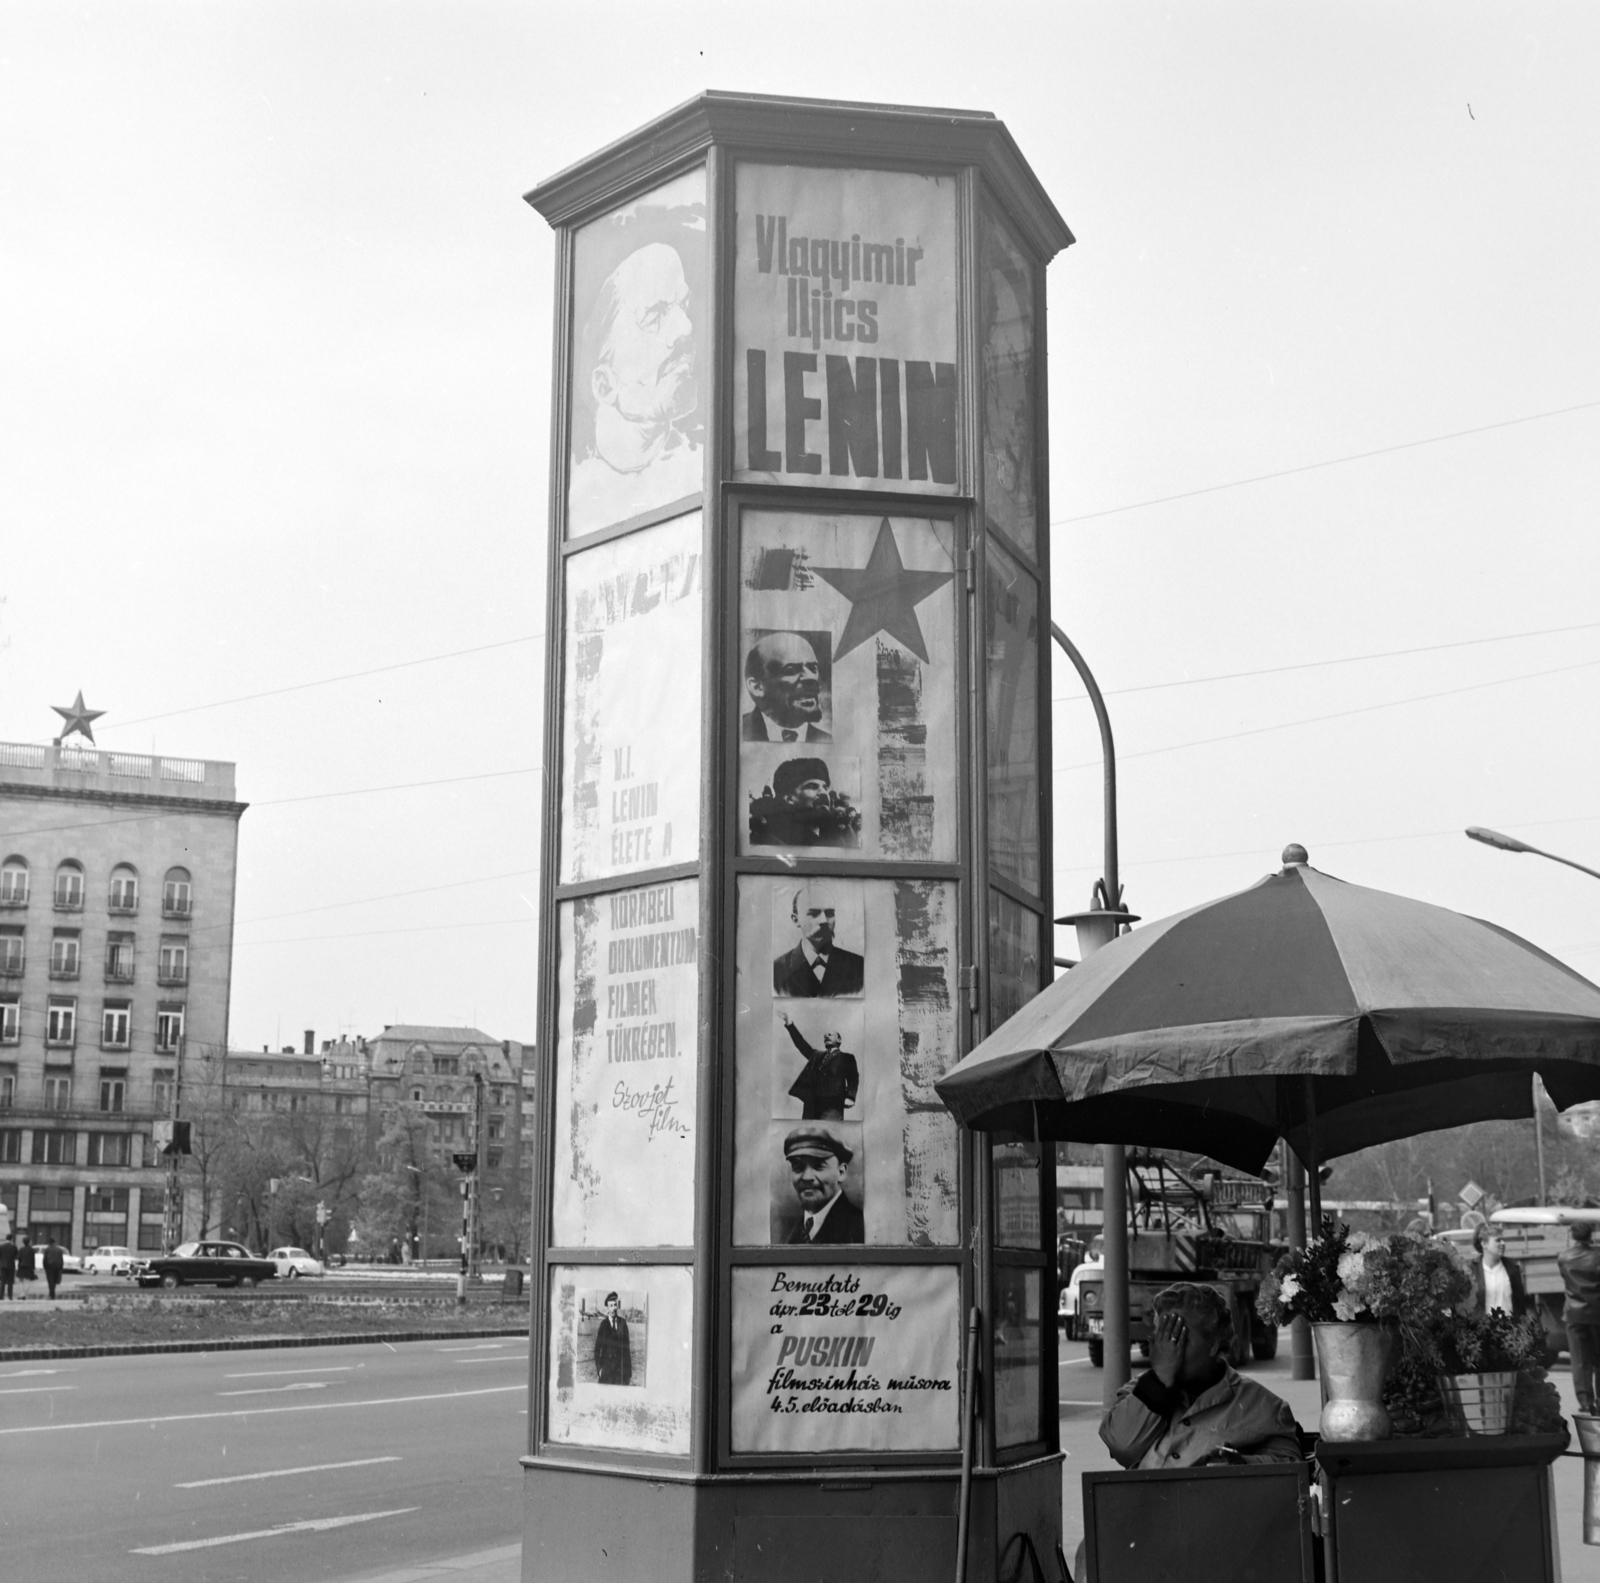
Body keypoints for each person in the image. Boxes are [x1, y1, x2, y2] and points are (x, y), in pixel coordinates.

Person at [1100, 1283, 1303, 1470]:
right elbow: (1121, 1446)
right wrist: (1158, 1381)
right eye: (1161, 1338)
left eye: (1177, 1338)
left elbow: (1289, 1465)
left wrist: (1240, 1465)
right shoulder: (1136, 1393)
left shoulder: (1263, 1406)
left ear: (1213, 1343)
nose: (1167, 1350)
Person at [570, 242, 700, 531]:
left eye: (684, 305)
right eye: (654, 316)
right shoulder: (583, 510)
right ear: (604, 385)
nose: (685, 327)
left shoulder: (698, 466)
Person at [772, 883, 864, 997]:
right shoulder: (777, 971)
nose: (824, 920)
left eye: (830, 913)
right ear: (796, 920)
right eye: (813, 914)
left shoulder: (859, 966)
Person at [748, 758, 861, 849]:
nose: (824, 793)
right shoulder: (772, 841)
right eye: (811, 786)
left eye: (825, 787)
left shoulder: (841, 833)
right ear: (789, 799)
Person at [782, 1126, 865, 1245]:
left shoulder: (861, 1227)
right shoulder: (798, 1230)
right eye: (798, 1167)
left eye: (819, 1167)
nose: (807, 1177)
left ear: (841, 1172)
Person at [742, 633, 831, 742]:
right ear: (757, 687)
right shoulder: (738, 733)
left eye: (813, 668)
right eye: (791, 670)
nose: (811, 678)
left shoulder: (826, 740)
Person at [779, 1012, 859, 1120]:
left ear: (839, 1040)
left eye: (830, 1035)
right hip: (811, 1104)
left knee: (828, 1132)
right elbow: (801, 1045)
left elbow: (853, 1077)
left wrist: (850, 1097)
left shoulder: (846, 1057)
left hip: (832, 1104)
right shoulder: (817, 1055)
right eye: (825, 1036)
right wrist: (789, 1023)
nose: (826, 1036)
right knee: (809, 1133)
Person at [1560, 1220, 1600, 1413]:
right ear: (1590, 1236)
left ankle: (1586, 1403)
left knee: (1580, 1361)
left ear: (1572, 1236)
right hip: (1597, 1313)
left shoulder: (1563, 1258)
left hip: (1574, 1315)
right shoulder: (1598, 1256)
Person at [1469, 1225, 1528, 1317]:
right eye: (1498, 1240)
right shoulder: (1471, 1270)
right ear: (1484, 1244)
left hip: (1509, 1329)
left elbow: (1520, 1305)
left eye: (1503, 1240)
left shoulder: (1513, 1268)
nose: (1503, 1243)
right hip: (1481, 1329)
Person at [593, 1291, 632, 1386]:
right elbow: (597, 1350)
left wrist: (628, 1372)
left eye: (615, 1305)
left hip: (620, 1372)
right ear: (607, 1308)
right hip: (607, 1372)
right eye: (611, 1306)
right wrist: (600, 1370)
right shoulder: (603, 1325)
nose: (614, 1308)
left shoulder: (623, 1323)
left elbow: (627, 1349)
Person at [41, 1235, 64, 1300]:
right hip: (57, 1266)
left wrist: (45, 1266)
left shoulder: (47, 1249)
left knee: (50, 1280)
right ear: (54, 1242)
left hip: (49, 1266)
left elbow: (45, 1259)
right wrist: (61, 1267)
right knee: (55, 1280)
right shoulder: (59, 1250)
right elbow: (61, 1259)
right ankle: (52, 1294)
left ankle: (51, 1294)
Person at [0, 1233, 15, 1300]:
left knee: (2, 1281)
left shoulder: (1, 1246)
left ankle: (1, 1295)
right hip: (11, 1265)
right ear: (11, 1238)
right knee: (10, 1282)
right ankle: (10, 1295)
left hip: (3, 1265)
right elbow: (15, 1255)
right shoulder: (13, 1246)